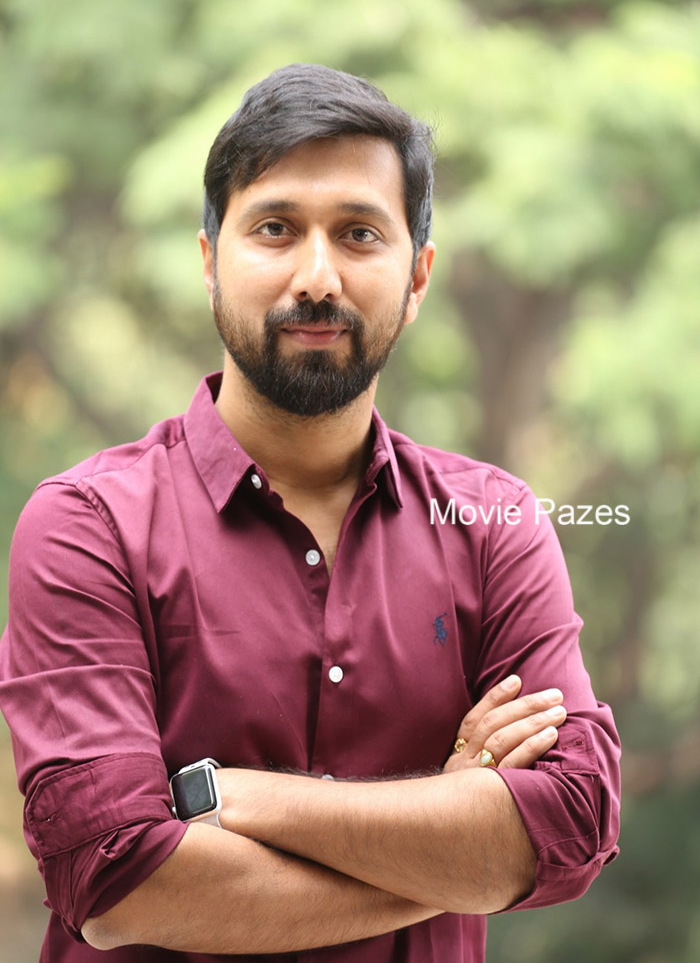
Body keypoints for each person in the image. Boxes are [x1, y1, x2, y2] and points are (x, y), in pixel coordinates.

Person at [0, 64, 620, 962]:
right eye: (275, 229)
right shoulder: (89, 526)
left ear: (418, 276)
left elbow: (571, 824)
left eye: (360, 234)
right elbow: (117, 881)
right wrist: (457, 834)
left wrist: (233, 798)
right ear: (210, 261)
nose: (317, 276)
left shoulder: (494, 522)